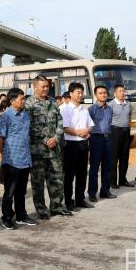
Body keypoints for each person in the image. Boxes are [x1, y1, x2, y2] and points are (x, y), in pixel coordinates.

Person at [26, 75, 68, 219]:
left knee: (57, 180)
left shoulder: (52, 102)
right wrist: (45, 140)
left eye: (47, 86)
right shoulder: (29, 104)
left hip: (54, 150)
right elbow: (29, 126)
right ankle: (41, 210)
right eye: (42, 86)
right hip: (38, 151)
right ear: (35, 87)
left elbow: (60, 121)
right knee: (38, 183)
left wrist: (56, 138)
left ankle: (56, 207)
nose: (45, 89)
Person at [0, 88, 36, 230]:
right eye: (21, 99)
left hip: (25, 159)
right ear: (12, 101)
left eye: (24, 98)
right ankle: (6, 217)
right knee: (9, 192)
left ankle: (21, 216)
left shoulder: (25, 115)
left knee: (21, 191)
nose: (24, 101)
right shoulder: (5, 116)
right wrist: (5, 154)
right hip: (11, 161)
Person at [62, 82, 94, 212]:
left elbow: (90, 125)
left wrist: (87, 131)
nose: (81, 95)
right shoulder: (65, 109)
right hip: (70, 145)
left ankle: (80, 199)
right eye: (78, 92)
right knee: (69, 175)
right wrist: (79, 132)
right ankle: (69, 202)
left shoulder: (84, 109)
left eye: (82, 92)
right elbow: (64, 127)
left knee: (82, 174)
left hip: (83, 144)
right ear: (71, 94)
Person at [87, 85, 116, 202]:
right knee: (94, 168)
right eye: (100, 93)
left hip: (108, 139)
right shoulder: (91, 109)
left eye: (105, 93)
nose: (103, 95)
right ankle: (92, 193)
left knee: (107, 167)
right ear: (96, 95)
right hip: (96, 139)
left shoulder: (110, 109)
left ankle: (105, 191)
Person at [108, 84, 133, 189]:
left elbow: (129, 117)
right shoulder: (110, 105)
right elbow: (107, 120)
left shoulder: (128, 104)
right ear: (115, 93)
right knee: (114, 158)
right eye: (120, 91)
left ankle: (123, 180)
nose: (122, 93)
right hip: (115, 132)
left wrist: (129, 130)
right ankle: (113, 181)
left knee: (124, 157)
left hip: (126, 132)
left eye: (123, 91)